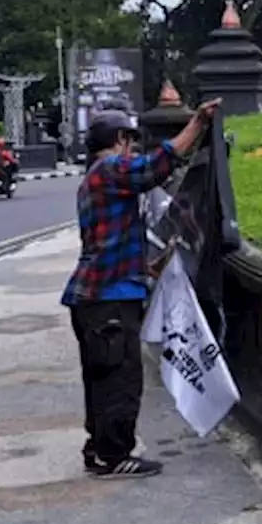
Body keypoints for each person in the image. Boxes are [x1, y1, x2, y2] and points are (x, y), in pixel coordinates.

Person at [61, 98, 221, 480]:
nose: (132, 150)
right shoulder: (111, 168)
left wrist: (147, 268)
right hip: (108, 299)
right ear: (120, 139)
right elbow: (155, 167)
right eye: (130, 142)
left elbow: (107, 242)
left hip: (96, 296)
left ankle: (99, 448)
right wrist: (197, 124)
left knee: (102, 377)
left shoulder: (93, 178)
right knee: (120, 379)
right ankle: (114, 456)